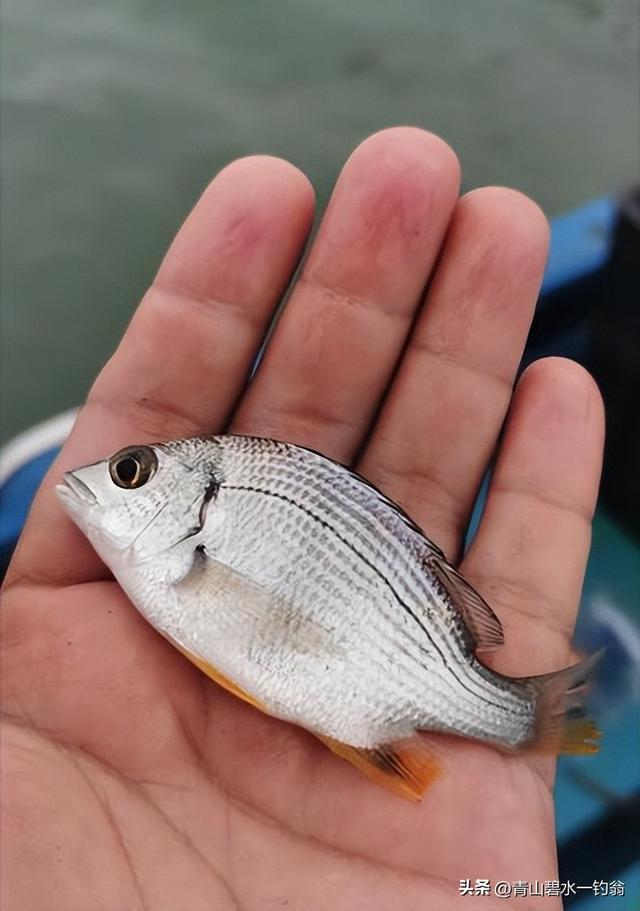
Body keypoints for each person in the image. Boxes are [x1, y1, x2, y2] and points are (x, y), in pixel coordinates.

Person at [1, 127, 604, 910]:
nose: (99, 480)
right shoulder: (177, 559)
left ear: (194, 499)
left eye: (130, 472)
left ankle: (528, 713)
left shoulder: (196, 544)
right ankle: (527, 714)